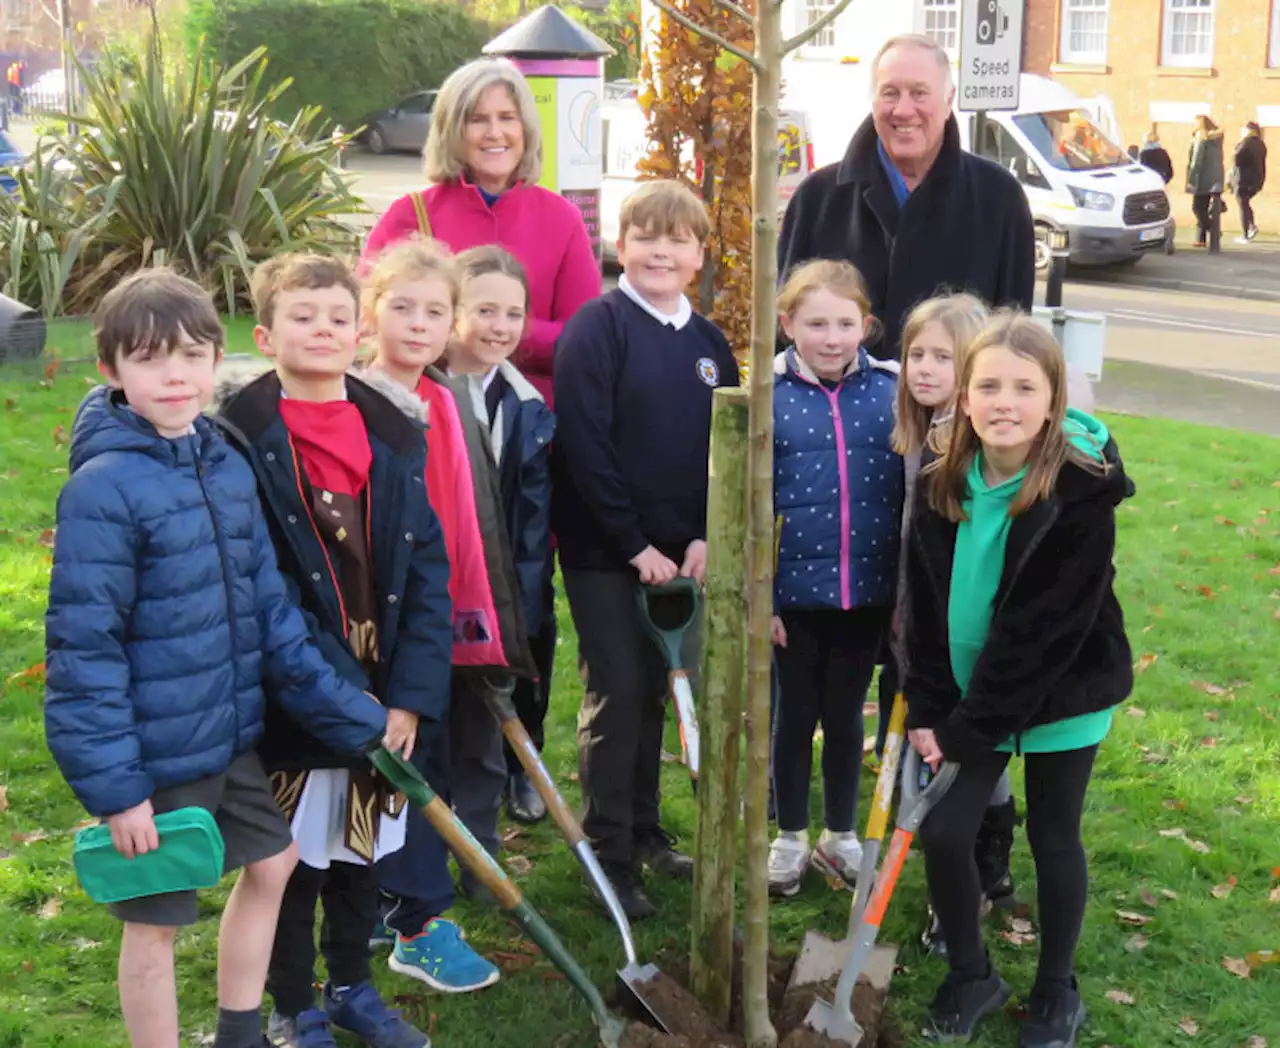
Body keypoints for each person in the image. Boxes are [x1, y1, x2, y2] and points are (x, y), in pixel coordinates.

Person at [44, 269, 389, 1048]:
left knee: (275, 863)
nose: (176, 376)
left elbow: (270, 610)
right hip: (155, 753)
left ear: (216, 359)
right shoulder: (103, 489)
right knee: (158, 921)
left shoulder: (223, 462)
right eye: (150, 359)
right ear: (110, 370)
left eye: (193, 356)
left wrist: (348, 711)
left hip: (227, 734)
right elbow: (83, 652)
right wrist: (119, 791)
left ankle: (238, 1033)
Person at [216, 254, 452, 1048]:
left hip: (385, 683)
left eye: (335, 318)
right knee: (289, 858)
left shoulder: (394, 432)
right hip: (292, 684)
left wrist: (410, 696)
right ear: (264, 333)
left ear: (360, 332)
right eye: (301, 317)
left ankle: (352, 983)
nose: (321, 330)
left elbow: (425, 569)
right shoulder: (238, 440)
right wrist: (335, 694)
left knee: (363, 845)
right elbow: (259, 588)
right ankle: (291, 1001)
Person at [361, 57, 595, 823]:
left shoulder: (556, 218)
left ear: (526, 129)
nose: (495, 133)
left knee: (525, 594)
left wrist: (503, 334)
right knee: (432, 592)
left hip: (523, 434)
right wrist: (455, 336)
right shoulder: (413, 213)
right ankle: (430, 747)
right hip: (430, 433)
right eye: (478, 119)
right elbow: (379, 316)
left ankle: (518, 749)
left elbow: (581, 336)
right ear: (452, 130)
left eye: (507, 118)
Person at [903, 313, 1134, 1046]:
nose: (1006, 402)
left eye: (1025, 388)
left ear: (1053, 401)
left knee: (1054, 836)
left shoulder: (1079, 494)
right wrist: (929, 707)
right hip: (972, 698)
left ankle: (1055, 989)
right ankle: (972, 974)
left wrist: (967, 731)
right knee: (944, 831)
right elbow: (920, 606)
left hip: (1060, 692)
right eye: (990, 386)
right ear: (963, 399)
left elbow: (1044, 636)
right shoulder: (941, 482)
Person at [552, 179, 740, 918]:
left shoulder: (708, 343)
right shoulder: (598, 329)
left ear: (699, 254)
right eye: (646, 236)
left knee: (666, 690)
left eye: (679, 238)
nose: (662, 250)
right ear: (620, 245)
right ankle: (609, 853)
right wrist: (634, 544)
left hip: (681, 554)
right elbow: (586, 444)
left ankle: (646, 830)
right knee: (618, 691)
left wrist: (701, 533)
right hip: (607, 552)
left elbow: (719, 450)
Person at [359, 239, 528, 993]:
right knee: (358, 772)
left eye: (436, 311)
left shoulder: (440, 403)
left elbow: (462, 521)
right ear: (371, 314)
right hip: (359, 622)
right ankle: (370, 907)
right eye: (404, 307)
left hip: (425, 620)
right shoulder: (348, 399)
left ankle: (417, 920)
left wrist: (470, 624)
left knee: (415, 760)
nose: (420, 324)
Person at [765, 259, 902, 899]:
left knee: (847, 715)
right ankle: (789, 833)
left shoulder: (893, 391)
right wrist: (759, 597)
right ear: (788, 323)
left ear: (866, 327)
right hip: (792, 597)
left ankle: (840, 832)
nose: (830, 337)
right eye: (815, 323)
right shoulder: (765, 396)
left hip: (866, 593)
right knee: (794, 716)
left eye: (845, 323)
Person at [778, 33, 1035, 358]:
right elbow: (783, 331)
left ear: (948, 101)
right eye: (890, 93)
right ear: (873, 102)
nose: (903, 109)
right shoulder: (817, 199)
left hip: (955, 407)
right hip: (836, 407)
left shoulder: (999, 199)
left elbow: (1013, 336)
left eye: (919, 93)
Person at [441, 244, 555, 894]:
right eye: (484, 309)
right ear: (454, 311)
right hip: (435, 600)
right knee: (424, 743)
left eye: (513, 314)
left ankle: (480, 861)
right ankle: (411, 873)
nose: (499, 327)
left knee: (483, 742)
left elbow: (532, 532)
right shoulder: (422, 395)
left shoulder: (527, 409)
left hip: (494, 607)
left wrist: (524, 615)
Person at [1186, 115, 1226, 248]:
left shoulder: (1201, 138)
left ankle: (1212, 229)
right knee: (1204, 208)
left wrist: (1191, 180)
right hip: (1215, 180)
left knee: (1197, 208)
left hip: (1202, 179)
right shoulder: (1216, 140)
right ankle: (1201, 239)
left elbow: (1196, 162)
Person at [1230, 122, 1266, 243]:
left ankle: (1245, 234)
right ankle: (1251, 226)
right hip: (1256, 179)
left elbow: (1236, 158)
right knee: (1245, 204)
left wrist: (1239, 144)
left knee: (1243, 205)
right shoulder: (1260, 143)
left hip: (1243, 179)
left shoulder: (1246, 143)